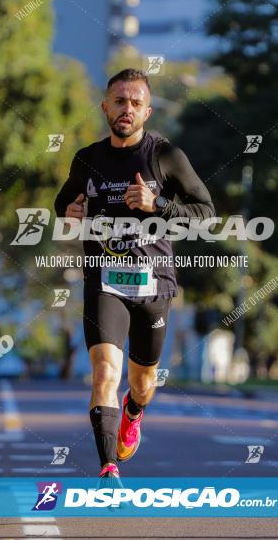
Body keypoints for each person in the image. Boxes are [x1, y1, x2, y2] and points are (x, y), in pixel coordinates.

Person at [54, 68, 215, 487]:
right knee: (105, 372)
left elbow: (206, 214)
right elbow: (64, 199)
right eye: (119, 101)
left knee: (142, 383)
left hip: (154, 285)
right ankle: (109, 469)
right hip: (103, 280)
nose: (127, 109)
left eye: (135, 103)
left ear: (148, 110)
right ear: (105, 105)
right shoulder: (87, 158)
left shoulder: (166, 156)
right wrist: (68, 211)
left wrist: (157, 203)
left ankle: (134, 412)